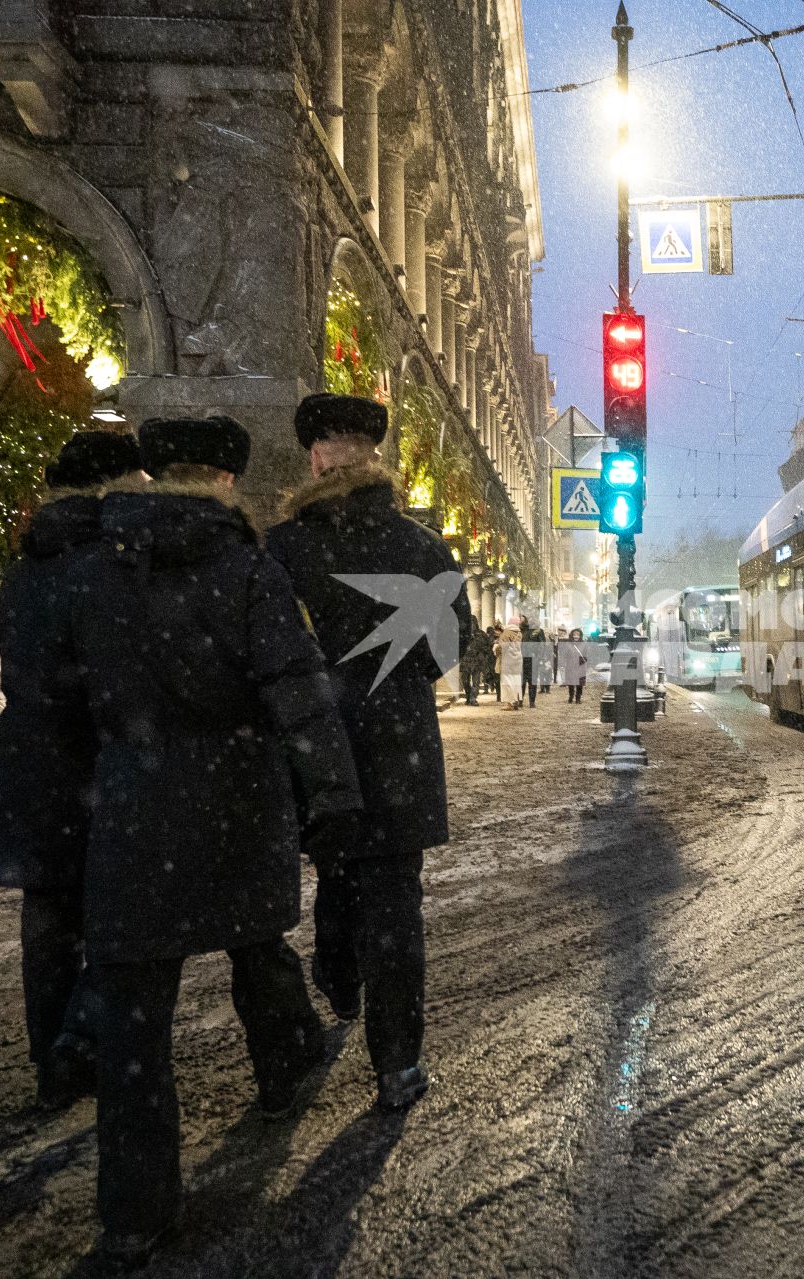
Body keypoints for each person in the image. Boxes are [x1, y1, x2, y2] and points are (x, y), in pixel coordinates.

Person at [66, 415, 361, 1265]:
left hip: (132, 811)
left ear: (153, 478)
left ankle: (134, 1208)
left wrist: (86, 796)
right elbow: (296, 688)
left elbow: (56, 702)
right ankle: (282, 1067)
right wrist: (333, 792)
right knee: (257, 948)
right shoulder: (249, 570)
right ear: (228, 482)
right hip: (236, 799)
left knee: (133, 1020)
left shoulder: (95, 572)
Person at [266, 392, 475, 1113]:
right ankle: (398, 1063)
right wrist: (400, 675)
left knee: (336, 870)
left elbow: (263, 652)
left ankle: (336, 972)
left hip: (318, 754)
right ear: (374, 457)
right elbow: (458, 644)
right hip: (399, 755)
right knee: (396, 905)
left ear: (316, 457)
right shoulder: (418, 546)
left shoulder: (284, 548)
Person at [0, 431, 140, 1111]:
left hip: (29, 761)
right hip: (97, 762)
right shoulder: (110, 562)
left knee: (47, 922)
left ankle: (52, 1059)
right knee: (120, 919)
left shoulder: (27, 564)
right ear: (113, 484)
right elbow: (117, 674)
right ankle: (80, 1041)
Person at [498, 619, 524, 709]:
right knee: (516, 680)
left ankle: (510, 702)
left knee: (506, 681)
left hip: (507, 659)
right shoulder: (519, 633)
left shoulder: (507, 632)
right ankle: (516, 699)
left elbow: (502, 646)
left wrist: (495, 647)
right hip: (517, 659)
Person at [560, 627, 589, 703]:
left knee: (580, 683)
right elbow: (564, 654)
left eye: (578, 635)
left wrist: (584, 664)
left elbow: (586, 655)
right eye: (574, 634)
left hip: (580, 666)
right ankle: (571, 696)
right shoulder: (568, 644)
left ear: (580, 636)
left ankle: (578, 698)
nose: (576, 636)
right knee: (570, 682)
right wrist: (563, 663)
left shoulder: (584, 644)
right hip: (570, 665)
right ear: (571, 635)